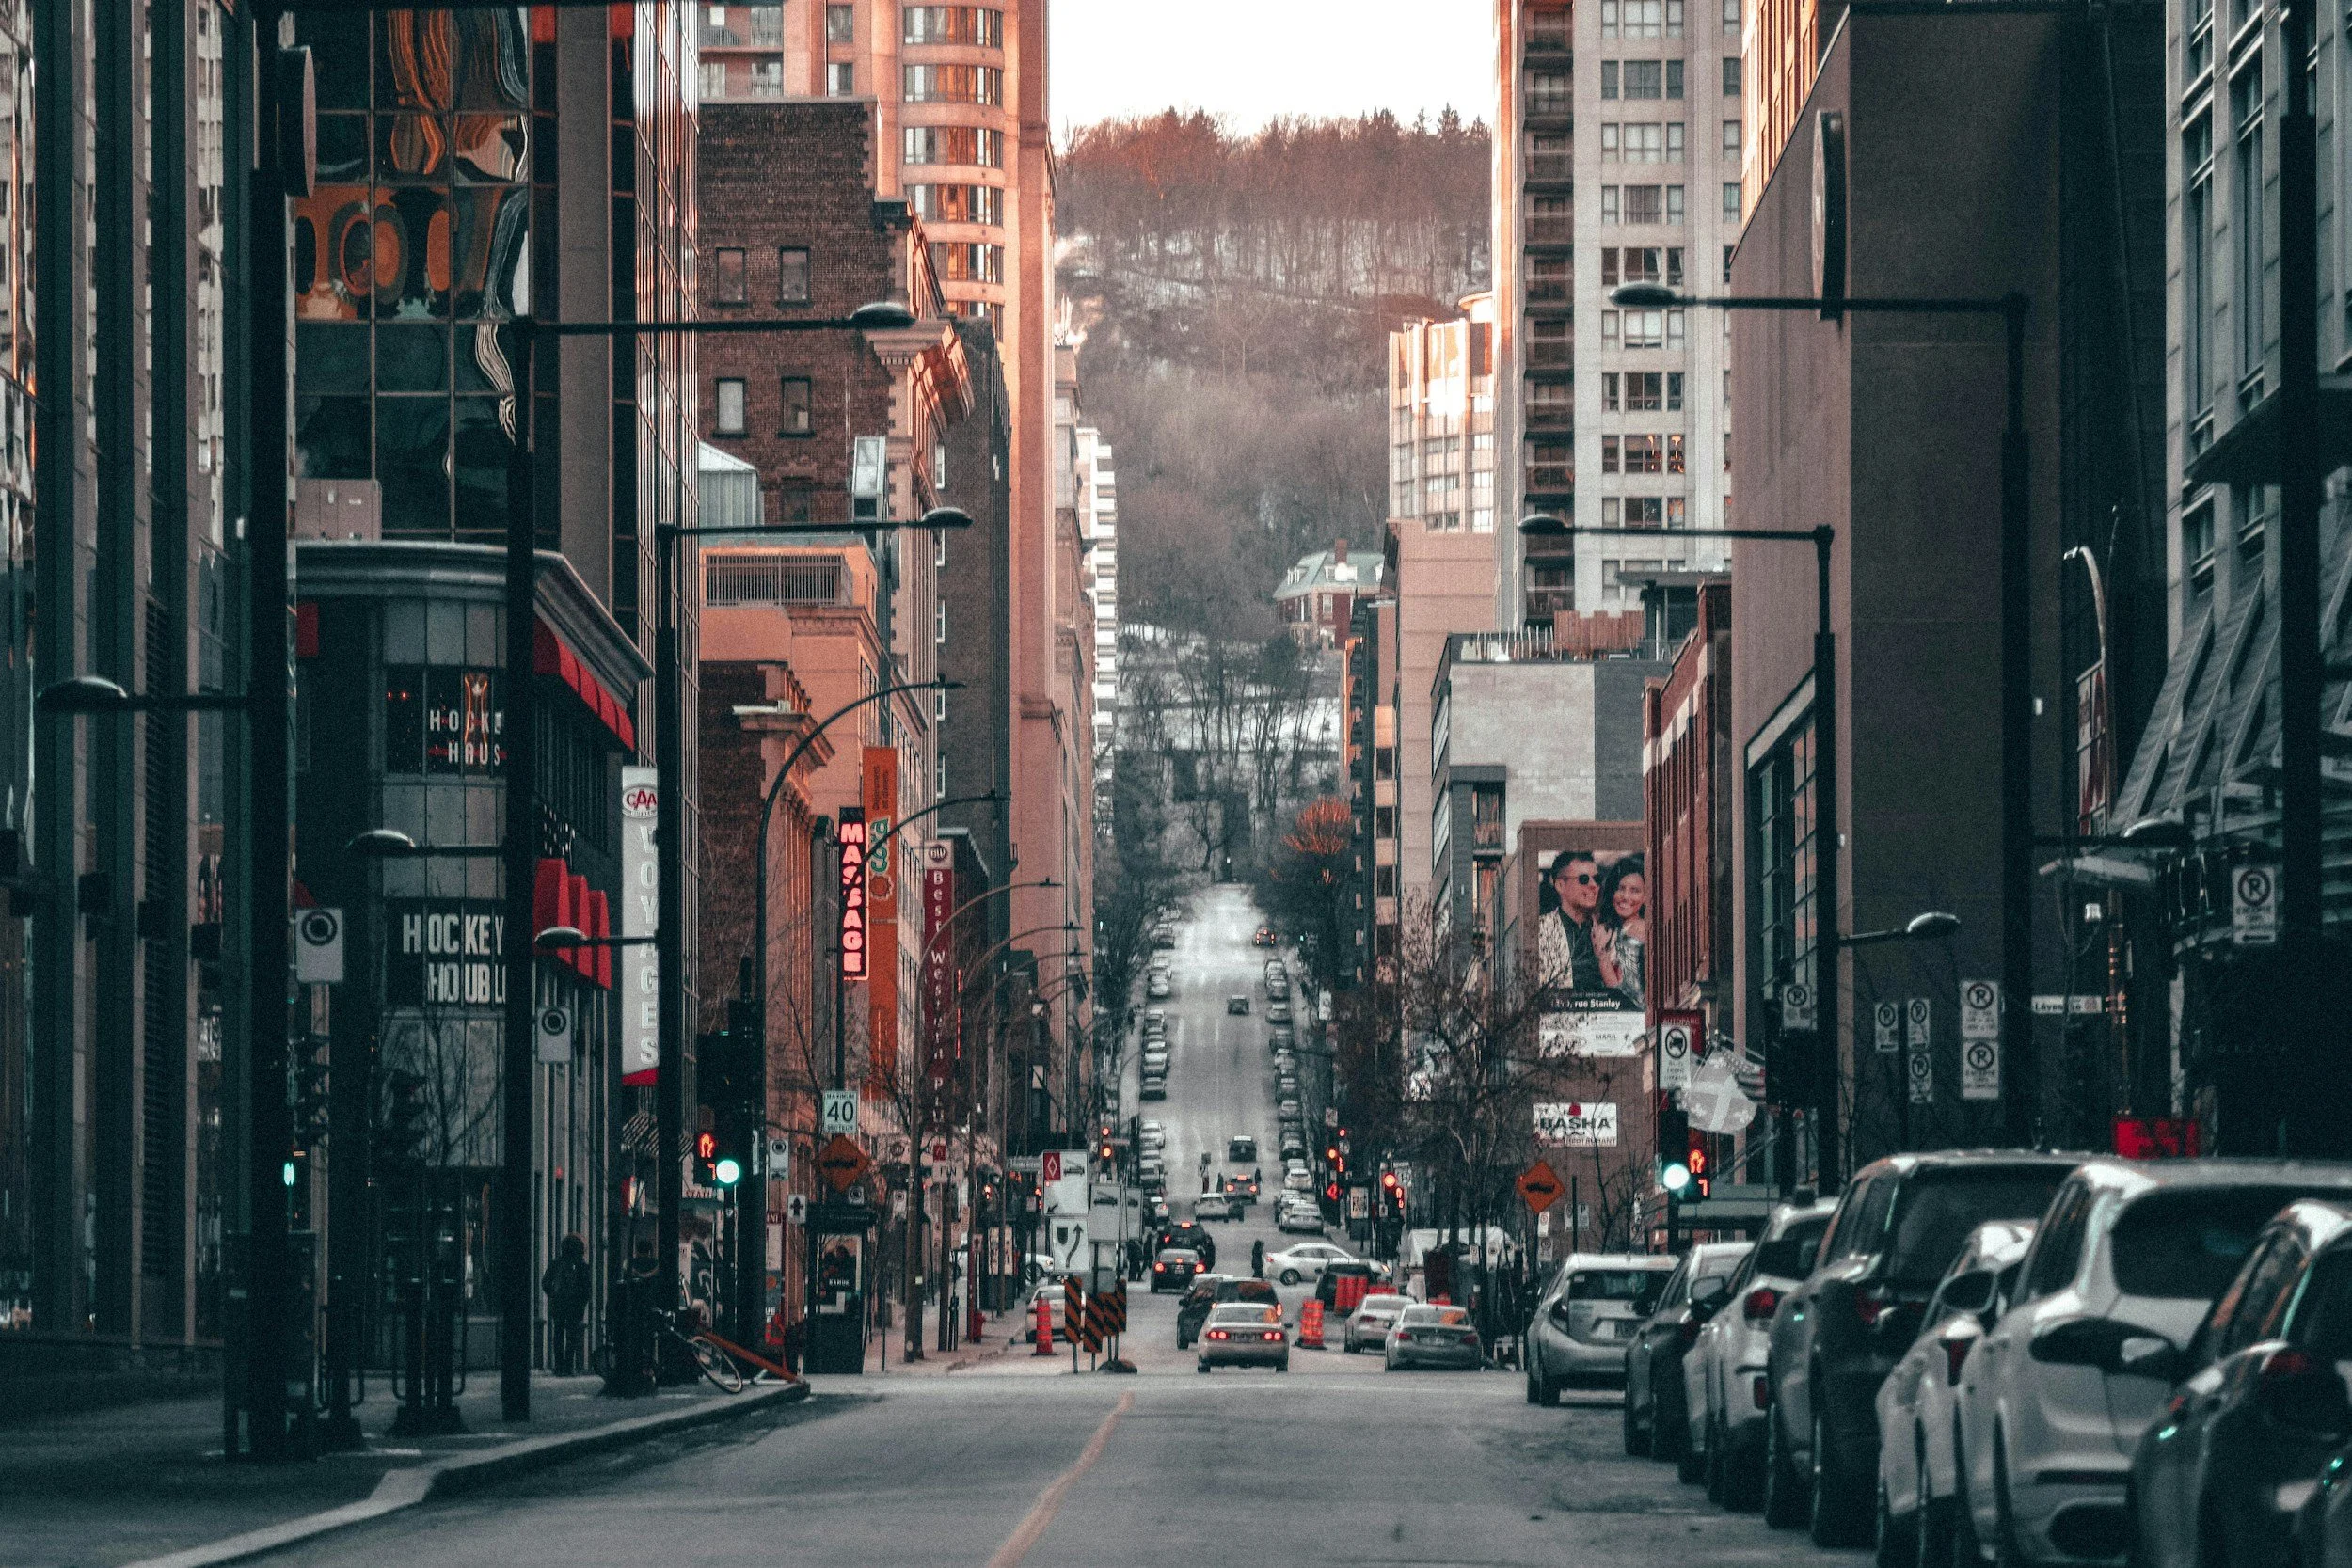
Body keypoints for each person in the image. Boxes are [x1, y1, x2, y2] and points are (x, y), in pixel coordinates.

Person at [1537, 850, 1607, 992]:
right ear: (1560, 886)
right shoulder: (1541, 929)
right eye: (1584, 879)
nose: (1594, 886)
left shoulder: (1607, 930)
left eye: (1597, 879)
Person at [1595, 852, 1648, 1008]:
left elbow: (1625, 994)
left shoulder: (1638, 930)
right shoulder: (1618, 930)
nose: (1625, 897)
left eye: (1635, 890)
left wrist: (1602, 956)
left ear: (1646, 897)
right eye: (1620, 888)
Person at [541, 1232, 592, 1375]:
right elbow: (587, 1288)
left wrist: (552, 1294)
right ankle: (569, 1367)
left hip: (558, 1305)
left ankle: (558, 1367)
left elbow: (545, 1282)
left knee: (558, 1334)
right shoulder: (582, 1266)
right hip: (575, 1306)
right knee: (572, 1336)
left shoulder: (556, 1263)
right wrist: (582, 1302)